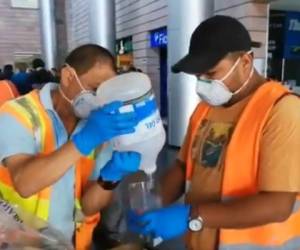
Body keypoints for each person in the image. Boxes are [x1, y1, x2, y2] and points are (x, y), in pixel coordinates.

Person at [128, 15, 300, 250]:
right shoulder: (205, 109)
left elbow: (279, 204)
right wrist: (154, 203)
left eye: (211, 73)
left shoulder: (281, 110)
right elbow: (182, 167)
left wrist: (191, 216)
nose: (202, 83)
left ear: (246, 62)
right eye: (198, 76)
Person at [0, 44, 141, 250]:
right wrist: (83, 141)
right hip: (19, 241)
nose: (100, 100)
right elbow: (25, 183)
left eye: (106, 93)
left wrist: (109, 179)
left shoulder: (99, 126)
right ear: (67, 76)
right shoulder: (17, 114)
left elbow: (88, 206)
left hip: (69, 243)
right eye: (94, 89)